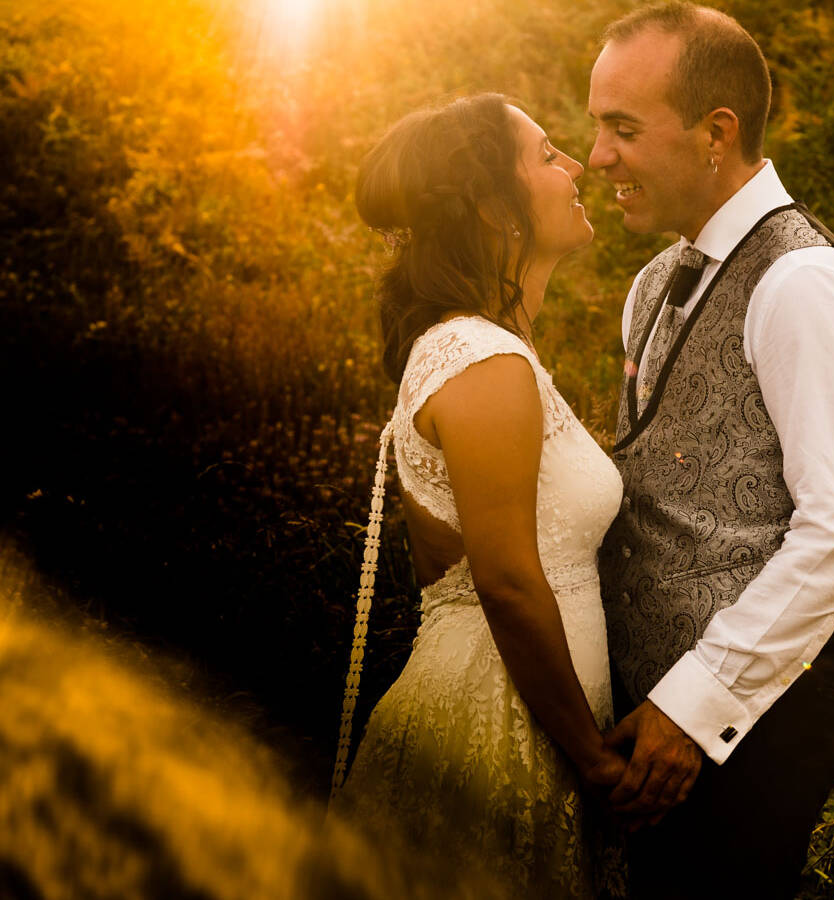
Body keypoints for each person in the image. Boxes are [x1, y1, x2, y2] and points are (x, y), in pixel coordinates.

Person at [587, 4, 834, 896]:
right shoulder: (655, 281)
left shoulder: (806, 285)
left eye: (623, 128)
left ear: (715, 133)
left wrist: (693, 711)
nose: (598, 155)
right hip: (647, 715)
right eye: (594, 127)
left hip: (754, 724)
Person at [329, 93, 626, 898]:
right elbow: (504, 578)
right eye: (546, 155)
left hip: (524, 712)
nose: (575, 168)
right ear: (497, 209)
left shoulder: (482, 350)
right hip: (497, 726)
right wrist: (596, 761)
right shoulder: (481, 358)